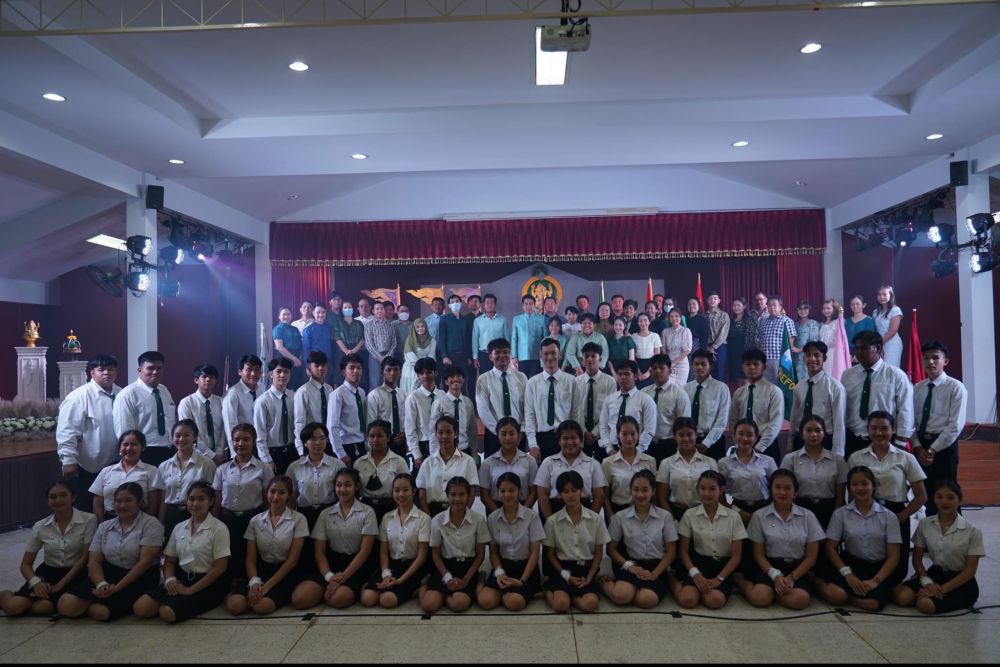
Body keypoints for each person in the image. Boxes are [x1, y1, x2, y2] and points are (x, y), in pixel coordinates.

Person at [54, 482, 162, 621]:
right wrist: (102, 584)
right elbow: (94, 561)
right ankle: (97, 598)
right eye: (118, 501)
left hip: (140, 576)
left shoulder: (152, 524)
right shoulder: (104, 526)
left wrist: (116, 589)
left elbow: (144, 562)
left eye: (128, 500)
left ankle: (101, 602)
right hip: (109, 573)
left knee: (100, 612)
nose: (122, 505)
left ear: (140, 502)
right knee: (66, 605)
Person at [848, 410, 927, 585]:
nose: (879, 433)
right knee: (866, 559)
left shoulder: (906, 458)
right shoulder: (856, 457)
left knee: (897, 570)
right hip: (865, 513)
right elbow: (851, 492)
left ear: (893, 430)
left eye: (884, 428)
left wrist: (902, 516)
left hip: (896, 513)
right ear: (868, 430)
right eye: (874, 428)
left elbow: (921, 496)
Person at [133, 481, 231, 623]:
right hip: (181, 579)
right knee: (141, 608)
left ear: (211, 502)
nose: (195, 504)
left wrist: (191, 590)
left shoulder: (219, 528)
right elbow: (169, 561)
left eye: (201, 499)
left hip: (208, 583)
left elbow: (220, 567)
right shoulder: (179, 527)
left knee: (167, 613)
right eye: (191, 499)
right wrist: (170, 580)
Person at [1, 480, 96, 617]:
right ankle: (5, 594)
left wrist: (60, 586)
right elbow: (25, 564)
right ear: (48, 502)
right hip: (49, 572)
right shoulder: (40, 526)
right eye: (53, 497)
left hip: (77, 573)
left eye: (63, 495)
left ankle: (43, 601)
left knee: (43, 608)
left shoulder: (89, 520)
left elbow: (84, 558)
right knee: (13, 607)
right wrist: (36, 583)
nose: (58, 500)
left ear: (73, 497)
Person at [292, 468, 378, 609]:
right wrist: (329, 576)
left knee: (338, 599)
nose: (342, 489)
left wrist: (342, 577)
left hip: (356, 565)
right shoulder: (325, 514)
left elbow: (365, 551)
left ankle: (338, 589)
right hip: (330, 564)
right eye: (338, 485)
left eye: (348, 485)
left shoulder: (367, 512)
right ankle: (325, 588)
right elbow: (319, 551)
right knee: (300, 599)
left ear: (356, 487)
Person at [817, 466, 901, 611]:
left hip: (878, 568)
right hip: (851, 564)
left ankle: (852, 598)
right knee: (836, 595)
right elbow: (830, 547)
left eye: (864, 483)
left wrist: (875, 581)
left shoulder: (889, 516)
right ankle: (816, 581)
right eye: (854, 484)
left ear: (873, 486)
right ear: (849, 488)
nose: (860, 488)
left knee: (872, 604)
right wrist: (847, 574)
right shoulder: (840, 514)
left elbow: (894, 556)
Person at [894, 481, 984, 614]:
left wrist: (941, 590)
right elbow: (917, 560)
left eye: (950, 497)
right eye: (939, 497)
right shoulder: (925, 524)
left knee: (925, 604)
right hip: (935, 574)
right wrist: (927, 583)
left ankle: (926, 596)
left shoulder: (973, 531)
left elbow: (970, 571)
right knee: (902, 597)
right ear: (934, 499)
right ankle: (923, 593)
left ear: (960, 499)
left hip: (960, 581)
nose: (944, 502)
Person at [740, 469, 825, 609]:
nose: (782, 492)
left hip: (797, 568)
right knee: (760, 598)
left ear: (795, 491)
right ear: (771, 490)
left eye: (787, 488)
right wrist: (775, 576)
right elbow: (758, 554)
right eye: (777, 487)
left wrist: (792, 577)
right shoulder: (759, 516)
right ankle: (742, 583)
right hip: (769, 566)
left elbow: (811, 556)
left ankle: (774, 594)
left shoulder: (808, 516)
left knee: (800, 600)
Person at [226, 475, 308, 616]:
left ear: (289, 496)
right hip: (261, 571)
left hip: (285, 573)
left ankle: (259, 597)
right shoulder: (255, 520)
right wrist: (255, 583)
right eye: (272, 491)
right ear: (267, 493)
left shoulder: (299, 519)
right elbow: (250, 559)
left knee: (262, 607)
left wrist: (266, 588)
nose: (276, 497)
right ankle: (250, 595)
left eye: (282, 492)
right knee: (235, 606)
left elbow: (292, 560)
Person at [601, 469, 678, 609]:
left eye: (645, 490)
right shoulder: (620, 517)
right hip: (632, 565)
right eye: (636, 489)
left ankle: (636, 591)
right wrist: (630, 566)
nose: (640, 495)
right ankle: (603, 583)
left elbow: (671, 551)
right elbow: (611, 549)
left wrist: (654, 574)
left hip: (657, 567)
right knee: (621, 596)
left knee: (647, 600)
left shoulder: (665, 516)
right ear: (630, 491)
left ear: (653, 491)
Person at [56, 353, 122, 511]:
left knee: (113, 507)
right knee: (88, 509)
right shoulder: (78, 397)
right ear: (92, 373)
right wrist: (68, 461)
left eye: (111, 369)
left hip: (116, 462)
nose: (107, 373)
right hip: (89, 465)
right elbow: (67, 432)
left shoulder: (122, 394)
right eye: (101, 369)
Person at [672, 470, 746, 609]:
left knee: (715, 601)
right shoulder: (689, 514)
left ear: (721, 489)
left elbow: (736, 556)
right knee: (687, 600)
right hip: (698, 565)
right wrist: (695, 574)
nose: (706, 493)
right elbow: (683, 551)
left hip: (722, 568)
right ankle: (673, 581)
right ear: (698, 489)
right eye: (702, 488)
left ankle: (716, 588)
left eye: (712, 489)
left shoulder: (733, 516)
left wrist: (719, 579)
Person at [912, 341, 967, 516]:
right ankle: (931, 530)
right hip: (921, 446)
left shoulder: (955, 387)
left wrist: (932, 449)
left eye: (936, 357)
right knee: (927, 494)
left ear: (945, 361)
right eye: (926, 358)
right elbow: (911, 422)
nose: (930, 362)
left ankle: (953, 531)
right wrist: (917, 446)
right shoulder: (917, 388)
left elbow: (955, 425)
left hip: (943, 446)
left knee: (947, 493)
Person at [212, 423, 273, 582]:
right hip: (228, 520)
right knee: (229, 555)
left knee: (251, 556)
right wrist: (214, 522)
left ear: (253, 441)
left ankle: (252, 584)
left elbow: (268, 500)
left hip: (253, 520)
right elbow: (217, 500)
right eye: (236, 440)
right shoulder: (222, 469)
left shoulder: (263, 468)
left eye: (246, 439)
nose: (240, 444)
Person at [420, 477, 489, 614]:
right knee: (428, 606)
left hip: (468, 569)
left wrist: (466, 579)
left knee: (459, 604)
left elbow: (481, 555)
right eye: (453, 494)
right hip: (444, 568)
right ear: (447, 496)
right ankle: (425, 585)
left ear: (469, 496)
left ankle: (477, 581)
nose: (457, 499)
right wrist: (447, 578)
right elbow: (435, 554)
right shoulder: (437, 520)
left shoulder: (479, 520)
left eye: (462, 494)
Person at [543, 470, 610, 613]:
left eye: (574, 490)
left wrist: (590, 577)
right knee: (560, 606)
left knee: (591, 604)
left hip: (585, 571)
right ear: (560, 495)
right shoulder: (552, 521)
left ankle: (571, 597)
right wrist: (566, 576)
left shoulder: (595, 519)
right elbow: (550, 554)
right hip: (562, 570)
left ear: (581, 491)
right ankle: (548, 591)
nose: (570, 495)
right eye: (565, 491)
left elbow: (598, 553)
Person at [361, 473, 430, 609]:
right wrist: (386, 575)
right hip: (392, 567)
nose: (401, 494)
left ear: (413, 491)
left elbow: (422, 556)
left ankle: (419, 585)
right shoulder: (387, 518)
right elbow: (383, 552)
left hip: (413, 568)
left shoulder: (424, 519)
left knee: (387, 600)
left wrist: (400, 580)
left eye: (405, 490)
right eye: (397, 490)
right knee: (367, 599)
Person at [478, 472, 545, 611]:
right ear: (498, 493)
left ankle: (513, 593)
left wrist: (522, 581)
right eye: (502, 491)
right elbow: (494, 553)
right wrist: (499, 574)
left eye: (511, 490)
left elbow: (534, 553)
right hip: (504, 567)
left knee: (515, 603)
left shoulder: (531, 516)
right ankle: (484, 581)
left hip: (526, 569)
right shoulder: (492, 518)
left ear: (519, 491)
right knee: (485, 602)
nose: (507, 495)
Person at [842, 330, 914, 458]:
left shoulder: (896, 375)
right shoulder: (847, 375)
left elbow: (905, 409)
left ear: (878, 349)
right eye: (857, 348)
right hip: (853, 439)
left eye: (864, 348)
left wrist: (900, 442)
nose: (859, 352)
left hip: (885, 440)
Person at [154, 419, 217, 543]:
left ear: (195, 437)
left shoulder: (207, 464)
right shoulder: (164, 466)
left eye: (186, 435)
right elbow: (163, 498)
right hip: (171, 516)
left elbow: (212, 497)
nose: (181, 439)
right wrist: (160, 522)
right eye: (177, 435)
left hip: (196, 515)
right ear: (172, 438)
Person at [780, 416, 847, 531]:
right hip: (799, 510)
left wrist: (835, 518)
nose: (813, 434)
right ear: (802, 433)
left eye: (818, 430)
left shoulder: (837, 460)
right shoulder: (790, 459)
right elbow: (784, 491)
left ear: (824, 433)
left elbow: (841, 496)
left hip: (828, 511)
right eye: (809, 430)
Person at [535, 420, 607, 522]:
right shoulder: (548, 462)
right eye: (565, 438)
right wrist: (551, 522)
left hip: (585, 513)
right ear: (559, 441)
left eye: (573, 438)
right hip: (554, 512)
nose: (569, 442)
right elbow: (542, 494)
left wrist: (589, 522)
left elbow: (599, 495)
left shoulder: (593, 464)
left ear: (580, 440)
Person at [113, 350, 176, 466]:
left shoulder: (164, 390)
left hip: (169, 450)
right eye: (150, 368)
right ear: (139, 370)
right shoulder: (127, 394)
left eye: (159, 368)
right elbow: (124, 431)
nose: (155, 372)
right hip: (143, 452)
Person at [524, 338, 579, 462]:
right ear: (540, 356)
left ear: (560, 354)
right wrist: (532, 444)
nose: (550, 357)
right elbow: (529, 415)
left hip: (566, 437)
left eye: (553, 353)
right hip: (541, 439)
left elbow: (577, 413)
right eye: (546, 353)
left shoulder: (571, 381)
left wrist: (578, 442)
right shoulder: (532, 383)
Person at [286, 422, 344, 537]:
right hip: (304, 516)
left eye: (322, 438)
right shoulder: (294, 467)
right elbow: (291, 497)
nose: (318, 443)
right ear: (305, 443)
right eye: (313, 439)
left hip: (331, 514)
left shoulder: (338, 465)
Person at [656, 417, 719, 522]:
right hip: (676, 514)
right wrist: (672, 521)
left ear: (696, 435)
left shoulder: (710, 462)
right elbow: (662, 499)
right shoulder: (666, 463)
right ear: (675, 436)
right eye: (681, 435)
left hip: (704, 514)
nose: (685, 439)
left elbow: (717, 495)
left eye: (689, 434)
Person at [89, 430, 160, 522]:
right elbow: (97, 504)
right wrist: (102, 525)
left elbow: (153, 503)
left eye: (134, 444)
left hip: (139, 521)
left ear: (142, 447)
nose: (129, 448)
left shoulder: (151, 470)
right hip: (109, 520)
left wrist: (144, 524)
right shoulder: (106, 471)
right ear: (119, 448)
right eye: (125, 444)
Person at [728, 349, 784, 465]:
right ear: (742, 367)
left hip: (766, 445)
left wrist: (760, 447)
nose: (752, 367)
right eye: (748, 364)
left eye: (756, 364)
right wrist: (738, 442)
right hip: (743, 443)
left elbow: (775, 423)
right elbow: (733, 420)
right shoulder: (739, 392)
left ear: (764, 367)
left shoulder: (773, 391)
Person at [790, 341, 847, 455]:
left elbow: (839, 423)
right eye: (808, 355)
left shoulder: (835, 387)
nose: (812, 359)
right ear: (804, 358)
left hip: (824, 440)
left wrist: (838, 453)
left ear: (824, 358)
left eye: (817, 355)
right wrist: (790, 444)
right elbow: (794, 418)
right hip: (801, 439)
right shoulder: (799, 387)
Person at [719, 419, 778, 528]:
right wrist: (737, 511)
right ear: (734, 436)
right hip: (737, 510)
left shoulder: (768, 461)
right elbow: (720, 492)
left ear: (756, 438)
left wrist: (769, 509)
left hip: (765, 510)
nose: (745, 438)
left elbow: (777, 488)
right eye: (740, 434)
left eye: (750, 435)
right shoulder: (724, 463)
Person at [416, 415, 479, 516]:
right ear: (436, 434)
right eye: (440, 432)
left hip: (459, 511)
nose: (444, 436)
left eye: (449, 432)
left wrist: (464, 514)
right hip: (433, 512)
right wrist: (428, 518)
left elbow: (472, 491)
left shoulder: (468, 461)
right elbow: (422, 495)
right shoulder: (428, 463)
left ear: (456, 434)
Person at [476, 337, 528, 458]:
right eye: (497, 352)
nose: (502, 355)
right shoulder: (484, 379)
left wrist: (522, 431)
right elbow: (483, 410)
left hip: (518, 435)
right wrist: (500, 433)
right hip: (494, 435)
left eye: (505, 352)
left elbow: (528, 407)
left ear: (510, 354)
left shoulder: (521, 377)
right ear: (490, 356)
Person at [479, 417, 538, 514]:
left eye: (512, 434)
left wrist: (523, 513)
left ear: (518, 435)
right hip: (495, 511)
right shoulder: (487, 463)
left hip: (524, 510)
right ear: (497, 435)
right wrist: (498, 515)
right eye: (503, 434)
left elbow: (534, 492)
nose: (507, 438)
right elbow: (484, 495)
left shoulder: (530, 461)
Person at [354, 420, 409, 525]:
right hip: (364, 509)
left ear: (388, 438)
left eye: (380, 436)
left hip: (390, 508)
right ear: (367, 438)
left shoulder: (398, 461)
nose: (375, 440)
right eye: (372, 436)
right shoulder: (359, 463)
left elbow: (406, 488)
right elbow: (354, 490)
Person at [598, 361, 656, 458]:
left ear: (636, 376)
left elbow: (649, 430)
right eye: (620, 374)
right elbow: (603, 426)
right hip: (612, 451)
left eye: (627, 374)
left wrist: (635, 452)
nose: (623, 377)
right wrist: (609, 449)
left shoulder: (645, 400)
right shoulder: (609, 399)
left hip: (637, 450)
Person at [601, 416, 657, 517]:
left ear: (638, 434)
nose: (629, 438)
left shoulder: (650, 461)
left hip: (644, 512)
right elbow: (604, 496)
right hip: (618, 512)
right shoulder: (608, 463)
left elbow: (654, 494)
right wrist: (611, 517)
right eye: (624, 434)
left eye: (633, 433)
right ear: (618, 435)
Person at [642, 354, 692, 466]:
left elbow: (684, 425)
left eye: (661, 368)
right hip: (646, 445)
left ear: (669, 371)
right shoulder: (644, 393)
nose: (657, 371)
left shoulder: (679, 394)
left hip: (669, 446)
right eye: (654, 368)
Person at [572, 342, 618, 460]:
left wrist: (594, 433)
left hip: (603, 435)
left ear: (600, 359)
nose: (590, 359)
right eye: (586, 356)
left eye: (593, 356)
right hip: (581, 434)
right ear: (582, 360)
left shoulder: (610, 382)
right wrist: (584, 431)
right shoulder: (576, 382)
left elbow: (610, 411)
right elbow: (575, 410)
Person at [253, 358, 298, 474]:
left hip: (293, 451)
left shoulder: (295, 397)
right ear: (271, 374)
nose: (282, 375)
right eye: (278, 371)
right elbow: (259, 435)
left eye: (286, 371)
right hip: (272, 453)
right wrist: (267, 460)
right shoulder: (262, 401)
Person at [685, 350, 731, 460]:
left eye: (703, 364)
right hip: (690, 442)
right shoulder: (686, 388)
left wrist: (706, 443)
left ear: (711, 366)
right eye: (696, 364)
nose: (699, 367)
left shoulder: (721, 388)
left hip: (713, 441)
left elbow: (722, 420)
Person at [177, 364, 226, 464]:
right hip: (195, 455)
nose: (208, 380)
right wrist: (211, 455)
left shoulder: (222, 402)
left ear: (215, 380)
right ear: (196, 380)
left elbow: (223, 430)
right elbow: (188, 432)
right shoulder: (187, 403)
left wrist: (219, 453)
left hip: (219, 457)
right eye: (204, 376)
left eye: (211, 377)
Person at [404, 357, 447, 467]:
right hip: (423, 444)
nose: (425, 376)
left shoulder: (443, 395)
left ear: (435, 373)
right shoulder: (413, 398)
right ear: (418, 376)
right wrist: (416, 454)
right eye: (421, 373)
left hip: (442, 442)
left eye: (428, 372)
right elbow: (410, 428)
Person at [293, 351, 336, 458]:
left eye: (323, 365)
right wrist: (301, 450)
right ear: (309, 368)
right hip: (311, 442)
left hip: (329, 441)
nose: (321, 368)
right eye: (316, 365)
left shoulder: (329, 389)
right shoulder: (303, 392)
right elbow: (299, 423)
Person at [327, 353, 367, 465]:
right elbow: (332, 426)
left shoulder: (361, 392)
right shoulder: (337, 394)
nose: (356, 371)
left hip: (361, 443)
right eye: (351, 368)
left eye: (359, 368)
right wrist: (340, 453)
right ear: (344, 371)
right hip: (345, 445)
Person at [430, 366, 478, 459]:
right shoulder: (439, 403)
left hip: (465, 449)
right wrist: (434, 456)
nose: (456, 379)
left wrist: (474, 454)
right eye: (451, 377)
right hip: (446, 450)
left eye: (459, 376)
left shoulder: (468, 402)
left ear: (463, 380)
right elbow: (433, 432)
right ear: (446, 382)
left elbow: (472, 430)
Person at [366, 357, 410, 459]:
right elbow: (370, 422)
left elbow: (408, 419)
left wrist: (405, 434)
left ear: (400, 372)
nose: (392, 373)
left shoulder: (404, 394)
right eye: (388, 370)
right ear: (382, 372)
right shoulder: (374, 395)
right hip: (382, 441)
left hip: (401, 441)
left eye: (395, 370)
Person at [222, 355, 263, 458]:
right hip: (242, 446)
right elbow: (230, 425)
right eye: (249, 370)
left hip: (261, 444)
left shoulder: (262, 388)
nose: (253, 374)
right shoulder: (232, 394)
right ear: (240, 371)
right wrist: (235, 454)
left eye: (257, 370)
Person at [755, 296, 797, 384]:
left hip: (780, 359)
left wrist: (785, 360)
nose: (772, 307)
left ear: (780, 307)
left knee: (781, 385)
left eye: (774, 305)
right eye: (769, 305)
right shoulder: (763, 321)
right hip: (765, 359)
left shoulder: (787, 321)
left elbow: (790, 343)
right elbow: (760, 340)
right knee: (766, 385)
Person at [363, 301, 397, 391]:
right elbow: (368, 343)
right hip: (374, 357)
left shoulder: (390, 324)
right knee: (375, 382)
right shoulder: (369, 324)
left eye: (381, 309)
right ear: (373, 311)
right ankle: (373, 400)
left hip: (388, 356)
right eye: (377, 309)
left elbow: (394, 342)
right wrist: (380, 358)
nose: (379, 311)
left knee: (388, 381)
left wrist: (388, 356)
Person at [511, 294, 547, 378]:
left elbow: (545, 338)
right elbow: (514, 339)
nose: (528, 306)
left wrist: (544, 354)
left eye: (531, 304)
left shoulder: (542, 319)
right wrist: (514, 356)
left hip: (537, 356)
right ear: (523, 306)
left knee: (536, 380)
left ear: (534, 305)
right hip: (522, 356)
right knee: (523, 380)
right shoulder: (517, 319)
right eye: (526, 304)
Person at [334, 301, 367, 392]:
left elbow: (362, 339)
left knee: (357, 375)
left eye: (349, 307)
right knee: (340, 376)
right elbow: (337, 338)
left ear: (353, 309)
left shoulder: (359, 323)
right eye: (345, 307)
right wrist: (346, 351)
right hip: (342, 352)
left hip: (357, 351)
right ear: (342, 310)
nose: (347, 309)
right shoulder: (338, 323)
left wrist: (353, 351)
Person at [472, 294, 509, 375]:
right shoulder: (477, 321)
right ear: (483, 304)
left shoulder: (502, 319)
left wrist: (508, 354)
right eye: (487, 303)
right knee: (485, 377)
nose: (489, 305)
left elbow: (507, 338)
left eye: (492, 303)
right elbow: (475, 340)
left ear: (495, 304)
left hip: (499, 353)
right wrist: (475, 357)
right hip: (484, 354)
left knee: (500, 376)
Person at [400, 317, 437, 396]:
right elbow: (409, 355)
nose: (420, 328)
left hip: (427, 368)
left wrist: (425, 367)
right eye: (418, 327)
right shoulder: (410, 339)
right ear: (414, 328)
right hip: (411, 369)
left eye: (422, 326)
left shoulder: (432, 340)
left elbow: (431, 356)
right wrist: (420, 367)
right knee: (410, 392)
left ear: (426, 327)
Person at [726, 297, 757, 386]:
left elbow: (752, 338)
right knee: (737, 376)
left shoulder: (750, 319)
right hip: (733, 352)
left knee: (746, 376)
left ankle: (748, 394)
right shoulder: (730, 320)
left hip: (746, 351)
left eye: (738, 305)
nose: (736, 307)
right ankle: (740, 393)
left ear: (744, 306)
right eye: (734, 305)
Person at [272, 306, 304, 388]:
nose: (286, 316)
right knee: (285, 384)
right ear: (279, 316)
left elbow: (300, 345)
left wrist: (299, 358)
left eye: (288, 314)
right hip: (283, 358)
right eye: (284, 314)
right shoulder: (277, 329)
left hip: (297, 359)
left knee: (296, 384)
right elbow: (280, 348)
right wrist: (295, 359)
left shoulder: (295, 329)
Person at [873, 285, 904, 368]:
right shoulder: (875, 312)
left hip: (892, 343)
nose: (881, 297)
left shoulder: (895, 310)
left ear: (890, 295)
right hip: (879, 343)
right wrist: (878, 345)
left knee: (890, 369)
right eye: (879, 294)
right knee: (880, 369)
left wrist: (880, 344)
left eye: (884, 294)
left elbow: (893, 331)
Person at [704, 291, 731, 383]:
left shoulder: (724, 315)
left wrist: (713, 347)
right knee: (707, 372)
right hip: (706, 347)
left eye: (715, 299)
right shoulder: (703, 316)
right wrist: (708, 347)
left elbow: (723, 333)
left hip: (720, 347)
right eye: (710, 299)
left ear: (719, 300)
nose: (712, 300)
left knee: (719, 373)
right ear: (707, 300)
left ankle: (720, 392)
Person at [661, 309, 691, 386]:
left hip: (682, 365)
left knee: (680, 389)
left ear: (681, 318)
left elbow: (687, 350)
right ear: (669, 319)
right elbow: (663, 350)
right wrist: (668, 363)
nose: (674, 318)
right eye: (671, 316)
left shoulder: (685, 331)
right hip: (668, 364)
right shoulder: (665, 331)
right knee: (668, 387)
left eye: (677, 316)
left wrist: (674, 363)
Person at [630, 313, 661, 387]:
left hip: (652, 365)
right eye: (640, 321)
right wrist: (638, 372)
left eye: (645, 320)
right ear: (638, 323)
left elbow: (657, 356)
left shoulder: (655, 336)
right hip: (637, 365)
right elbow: (632, 356)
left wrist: (649, 372)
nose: (643, 323)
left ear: (649, 322)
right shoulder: (633, 337)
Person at [793, 301, 820, 382]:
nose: (802, 311)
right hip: (795, 357)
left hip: (808, 355)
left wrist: (799, 349)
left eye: (805, 308)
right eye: (800, 309)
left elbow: (813, 342)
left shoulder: (813, 323)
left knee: (807, 379)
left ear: (809, 310)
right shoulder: (795, 324)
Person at [301, 305, 335, 369]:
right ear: (313, 313)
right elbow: (305, 350)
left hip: (328, 362)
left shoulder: (328, 328)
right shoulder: (307, 330)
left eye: (323, 312)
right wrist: (307, 366)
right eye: (318, 312)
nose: (321, 315)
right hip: (314, 363)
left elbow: (332, 346)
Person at [685, 298, 710, 377]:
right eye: (689, 304)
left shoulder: (703, 319)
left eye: (694, 304)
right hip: (684, 346)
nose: (691, 306)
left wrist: (703, 352)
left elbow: (704, 337)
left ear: (699, 306)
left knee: (695, 368)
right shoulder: (684, 318)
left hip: (697, 346)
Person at [818, 299, 840, 376]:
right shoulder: (821, 324)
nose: (826, 310)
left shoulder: (838, 322)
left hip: (832, 353)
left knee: (831, 374)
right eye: (824, 308)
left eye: (828, 308)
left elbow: (837, 339)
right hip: (822, 353)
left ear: (834, 309)